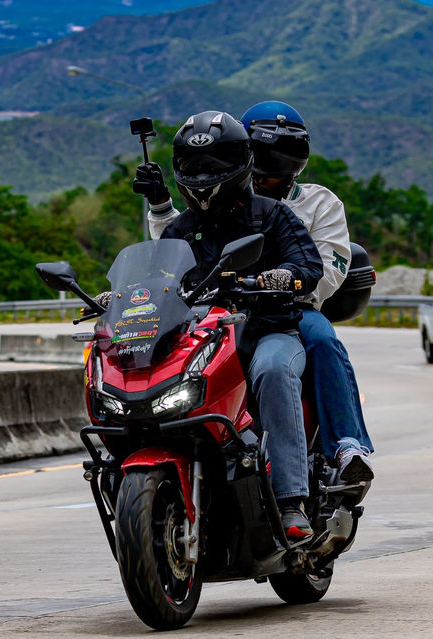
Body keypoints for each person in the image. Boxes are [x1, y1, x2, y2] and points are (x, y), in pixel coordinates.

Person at [136, 101, 374, 489]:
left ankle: (347, 446)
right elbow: (173, 255)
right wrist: (160, 204)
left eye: (280, 170)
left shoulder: (317, 203)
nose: (269, 180)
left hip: (290, 310)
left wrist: (278, 283)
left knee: (322, 338)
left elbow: (327, 268)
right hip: (216, 314)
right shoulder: (216, 206)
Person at [134, 110, 324, 538]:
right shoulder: (181, 228)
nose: (203, 175)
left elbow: (309, 265)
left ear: (240, 163)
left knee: (274, 371)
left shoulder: (271, 215)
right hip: (205, 338)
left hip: (269, 332)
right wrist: (124, 299)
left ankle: (291, 501)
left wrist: (278, 277)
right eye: (194, 166)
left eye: (214, 165)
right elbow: (159, 280)